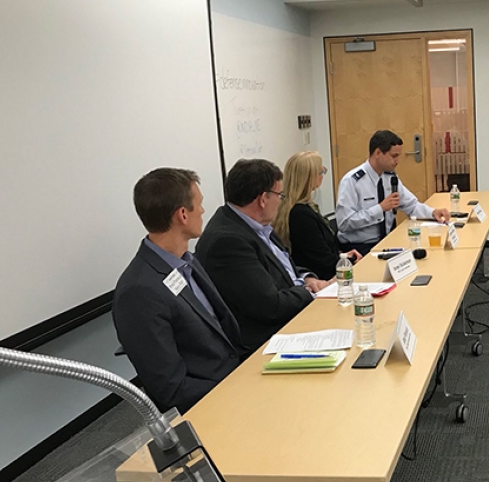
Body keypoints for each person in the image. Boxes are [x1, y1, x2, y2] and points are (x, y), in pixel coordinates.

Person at [113, 168, 247, 413]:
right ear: (183, 215)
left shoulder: (187, 261)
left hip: (235, 378)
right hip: (211, 404)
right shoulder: (138, 292)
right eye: (200, 205)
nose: (204, 211)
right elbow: (171, 388)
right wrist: (239, 388)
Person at [196, 159, 331, 352]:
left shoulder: (259, 225)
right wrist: (312, 292)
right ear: (262, 199)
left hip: (293, 316)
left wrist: (307, 278)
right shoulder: (228, 242)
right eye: (280, 195)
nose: (281, 200)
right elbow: (270, 306)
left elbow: (285, 269)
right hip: (267, 341)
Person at [336, 130, 449, 256]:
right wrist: (380, 209)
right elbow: (344, 223)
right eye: (394, 156)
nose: (397, 161)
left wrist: (432, 212)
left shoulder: (389, 177)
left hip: (386, 242)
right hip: (359, 248)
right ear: (378, 153)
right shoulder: (352, 181)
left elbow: (411, 205)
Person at [274, 151, 362, 280]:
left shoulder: (300, 208)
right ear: (309, 178)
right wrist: (350, 262)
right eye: (321, 173)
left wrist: (343, 256)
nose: (322, 176)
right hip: (320, 280)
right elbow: (320, 260)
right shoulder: (300, 215)